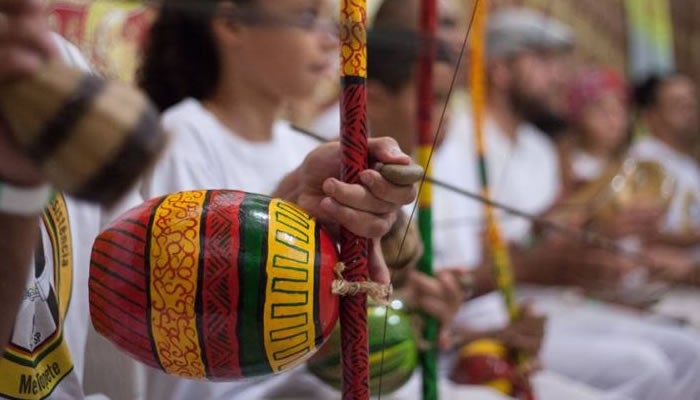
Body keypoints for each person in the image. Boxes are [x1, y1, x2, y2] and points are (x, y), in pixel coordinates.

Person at [133, 0, 416, 399]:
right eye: (307, 17)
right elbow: (182, 336)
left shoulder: (298, 145)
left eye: (329, 21)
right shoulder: (185, 138)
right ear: (232, 24)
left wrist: (404, 302)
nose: (329, 38)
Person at [432, 8, 700, 400]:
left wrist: (598, 227)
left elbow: (542, 232)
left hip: (541, 300)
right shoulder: (455, 136)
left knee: (688, 350)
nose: (557, 76)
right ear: (501, 71)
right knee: (647, 369)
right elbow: (482, 253)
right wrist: (558, 250)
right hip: (490, 307)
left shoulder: (539, 150)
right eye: (542, 60)